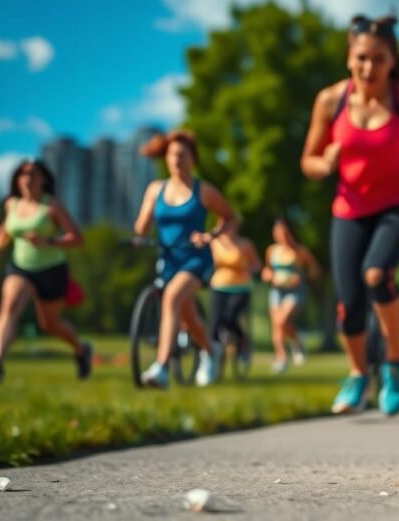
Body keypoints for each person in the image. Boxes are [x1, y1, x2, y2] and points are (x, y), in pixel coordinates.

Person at [301, 14, 399, 415]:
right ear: (350, 58)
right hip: (349, 210)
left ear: (392, 60)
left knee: (376, 274)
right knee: (349, 304)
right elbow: (308, 162)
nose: (369, 68)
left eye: (379, 59)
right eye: (362, 59)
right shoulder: (330, 101)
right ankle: (357, 376)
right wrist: (326, 162)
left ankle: (394, 361)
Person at [134, 130, 237, 389]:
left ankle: (161, 368)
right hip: (168, 259)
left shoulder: (203, 191)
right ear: (166, 159)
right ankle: (211, 349)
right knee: (188, 318)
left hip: (196, 260)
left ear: (193, 158)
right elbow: (142, 226)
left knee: (171, 297)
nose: (177, 160)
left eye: (182, 155)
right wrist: (140, 234)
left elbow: (230, 217)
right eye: (172, 155)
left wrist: (210, 235)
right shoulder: (155, 190)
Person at [0, 160, 91, 383]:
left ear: (43, 179)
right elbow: (8, 227)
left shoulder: (52, 206)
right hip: (21, 267)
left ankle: (81, 350)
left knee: (50, 324)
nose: (27, 179)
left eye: (33, 174)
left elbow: (77, 238)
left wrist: (48, 241)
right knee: (10, 306)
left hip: (51, 270)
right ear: (17, 180)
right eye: (22, 174)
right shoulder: (12, 205)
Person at [261, 217, 321, 374]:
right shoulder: (272, 251)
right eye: (278, 232)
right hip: (277, 290)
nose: (281, 235)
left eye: (284, 232)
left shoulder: (300, 251)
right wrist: (267, 275)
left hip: (295, 291)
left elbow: (314, 270)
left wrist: (303, 277)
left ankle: (297, 341)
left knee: (282, 320)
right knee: (277, 326)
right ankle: (281, 359)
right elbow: (267, 270)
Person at [209, 223, 261, 369]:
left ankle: (242, 341)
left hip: (241, 287)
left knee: (230, 316)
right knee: (215, 323)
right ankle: (212, 359)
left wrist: (247, 268)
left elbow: (257, 264)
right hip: (219, 285)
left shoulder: (245, 244)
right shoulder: (215, 243)